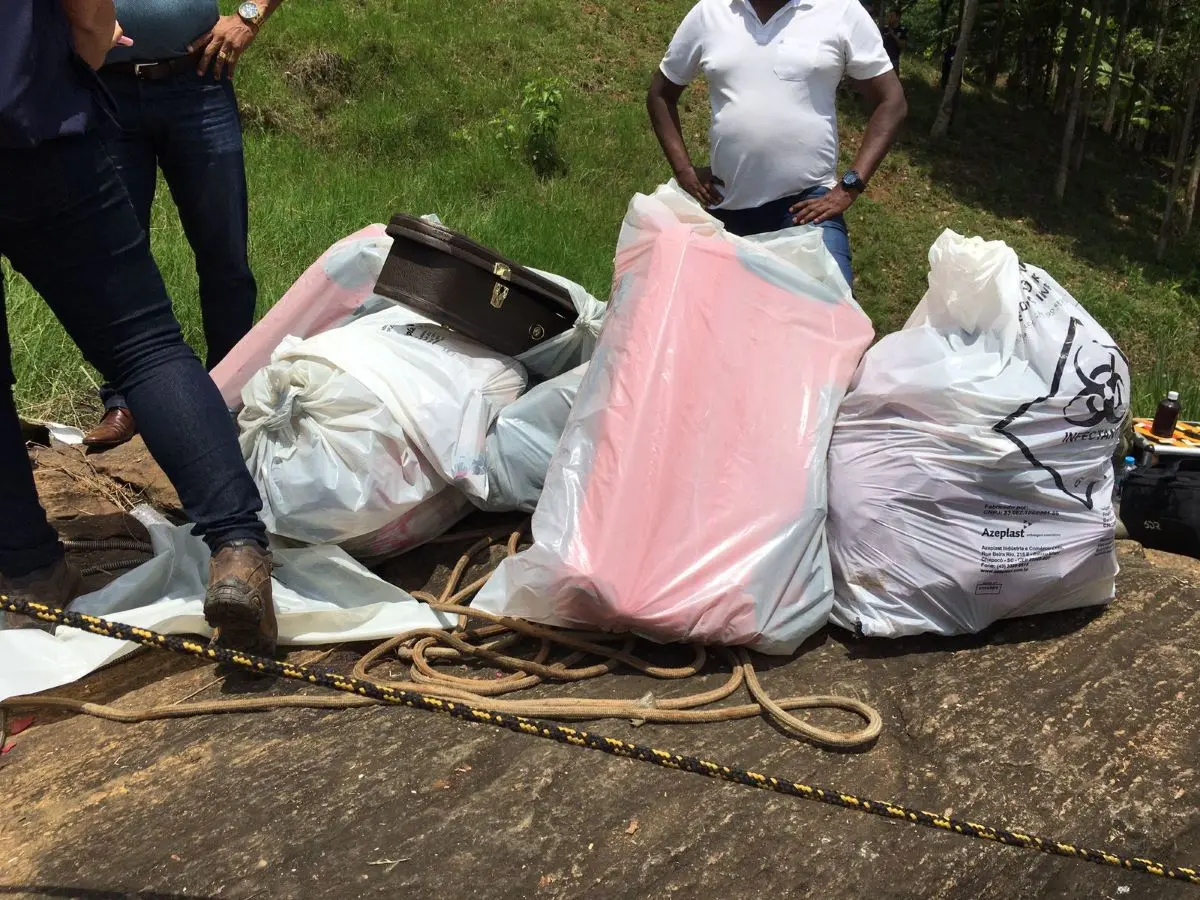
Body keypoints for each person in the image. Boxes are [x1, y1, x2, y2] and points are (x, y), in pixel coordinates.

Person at [1, 0, 277, 656]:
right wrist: (85, 53)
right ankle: (238, 551)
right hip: (36, 126)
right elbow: (91, 13)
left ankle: (28, 569)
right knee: (145, 344)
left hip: (78, 105)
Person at [83, 0, 284, 451]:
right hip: (104, 90)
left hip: (197, 84)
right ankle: (126, 399)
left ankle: (229, 391)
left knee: (224, 252)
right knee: (119, 257)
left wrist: (249, 16)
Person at [647, 0, 907, 289]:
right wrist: (685, 172)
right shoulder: (711, 12)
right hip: (727, 212)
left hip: (806, 211)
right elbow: (661, 93)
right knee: (724, 329)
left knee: (831, 322)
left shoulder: (839, 9)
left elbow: (891, 102)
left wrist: (850, 184)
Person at [882, 10, 908, 75]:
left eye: (891, 16)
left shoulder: (902, 29)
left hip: (893, 61)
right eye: (888, 16)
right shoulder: (884, 29)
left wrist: (893, 35)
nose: (889, 18)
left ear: (897, 18)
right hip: (882, 60)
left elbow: (902, 45)